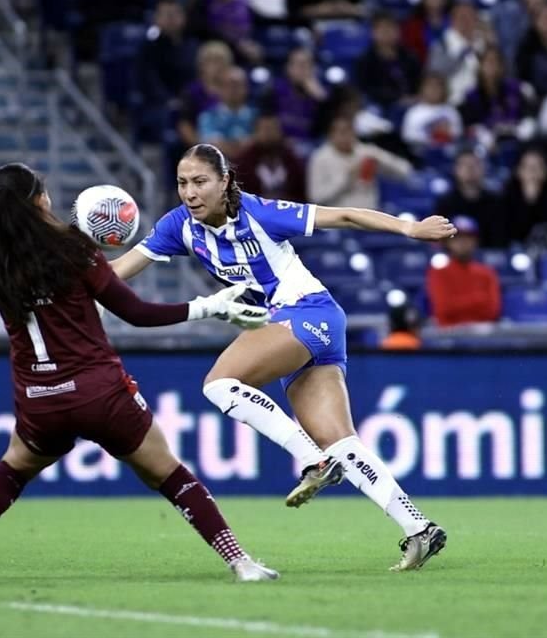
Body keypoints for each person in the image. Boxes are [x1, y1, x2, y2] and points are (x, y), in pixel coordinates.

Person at [110, 144, 457, 571]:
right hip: (306, 326)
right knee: (342, 442)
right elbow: (114, 276)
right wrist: (64, 280)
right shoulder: (177, 227)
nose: (189, 193)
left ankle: (312, 460)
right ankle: (418, 529)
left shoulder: (260, 213)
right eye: (182, 183)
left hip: (309, 313)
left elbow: (343, 216)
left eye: (200, 182)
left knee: (220, 384)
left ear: (225, 182)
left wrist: (410, 229)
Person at [0, 163, 278, 583]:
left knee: (14, 467)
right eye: (45, 191)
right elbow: (136, 313)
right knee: (170, 474)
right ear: (39, 200)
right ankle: (241, 562)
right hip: (100, 392)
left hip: (39, 397)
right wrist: (210, 307)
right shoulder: (76, 251)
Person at [307, 115, 412, 209]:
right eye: (342, 133)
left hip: (370, 215)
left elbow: (406, 170)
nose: (347, 137)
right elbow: (316, 198)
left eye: (350, 131)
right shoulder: (319, 158)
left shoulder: (367, 152)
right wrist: (346, 179)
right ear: (331, 135)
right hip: (338, 220)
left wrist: (382, 162)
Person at [425, 215, 501, 327]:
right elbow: (443, 310)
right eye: (457, 237)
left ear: (476, 241)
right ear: (448, 242)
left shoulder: (487, 273)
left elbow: (493, 311)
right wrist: (478, 299)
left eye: (468, 237)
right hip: (448, 336)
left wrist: (457, 303)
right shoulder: (439, 272)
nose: (462, 242)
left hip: (483, 335)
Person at [499, 147, 547, 249]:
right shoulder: (505, 200)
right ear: (518, 171)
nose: (532, 172)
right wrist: (529, 201)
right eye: (528, 167)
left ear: (546, 172)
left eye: (537, 167)